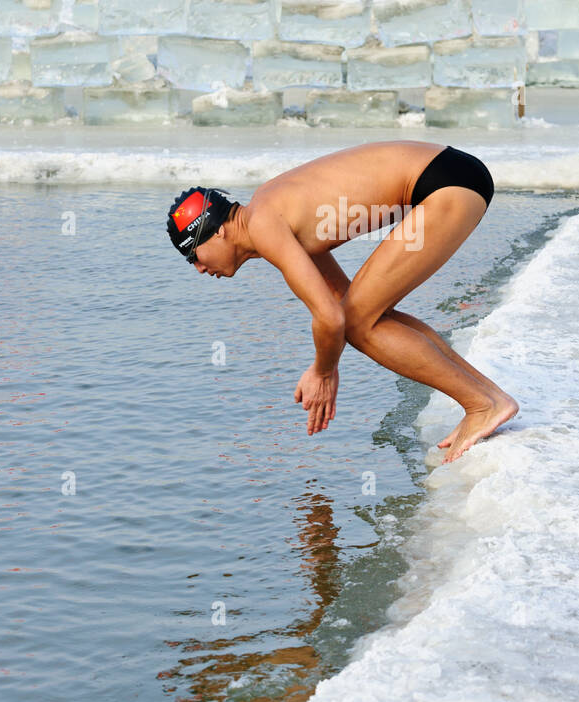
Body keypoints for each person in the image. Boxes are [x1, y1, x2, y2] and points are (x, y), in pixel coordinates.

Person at [166, 141, 518, 462]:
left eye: (192, 254)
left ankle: (481, 404)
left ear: (219, 231)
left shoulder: (262, 225)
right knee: (366, 316)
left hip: (446, 186)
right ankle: (488, 399)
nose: (198, 268)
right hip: (453, 175)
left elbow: (333, 319)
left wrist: (321, 371)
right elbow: (337, 301)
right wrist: (330, 365)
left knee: (360, 323)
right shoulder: (270, 214)